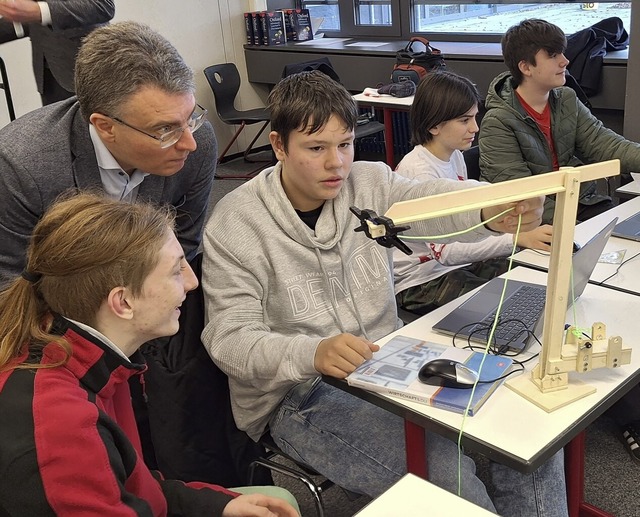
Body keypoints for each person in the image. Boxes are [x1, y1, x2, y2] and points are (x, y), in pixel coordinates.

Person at [201, 70, 568, 516]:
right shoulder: (236, 222)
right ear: (278, 146)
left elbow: (430, 201)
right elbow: (229, 339)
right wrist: (312, 352)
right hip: (298, 392)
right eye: (316, 148)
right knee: (449, 486)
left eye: (345, 143)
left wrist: (491, 207)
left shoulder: (369, 180)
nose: (337, 163)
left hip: (388, 360)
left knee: (527, 430)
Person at [0, 192, 299, 517]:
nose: (192, 282)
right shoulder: (61, 429)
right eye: (175, 271)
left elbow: (127, 485)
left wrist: (216, 504)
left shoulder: (86, 358)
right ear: (123, 303)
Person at [0, 20, 217, 288]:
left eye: (190, 116)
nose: (189, 143)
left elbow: (184, 244)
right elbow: (12, 288)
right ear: (105, 127)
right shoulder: (23, 166)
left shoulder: (198, 141)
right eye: (165, 129)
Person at [394, 70, 553, 316]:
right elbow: (444, 252)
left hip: (454, 265)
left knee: (531, 276)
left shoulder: (454, 154)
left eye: (474, 118)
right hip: (420, 281)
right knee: (504, 308)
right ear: (434, 125)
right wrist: (516, 238)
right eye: (464, 120)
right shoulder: (418, 172)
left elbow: (466, 227)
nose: (475, 128)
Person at [479, 18, 640, 225]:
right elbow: (522, 197)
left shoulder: (566, 99)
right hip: (537, 220)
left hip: (582, 204)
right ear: (526, 67)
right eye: (553, 56)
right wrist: (576, 226)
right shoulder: (498, 122)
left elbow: (606, 144)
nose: (565, 61)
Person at [0, 0, 114, 105]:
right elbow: (32, 16)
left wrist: (40, 11)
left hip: (88, 70)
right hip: (47, 74)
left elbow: (102, 5)